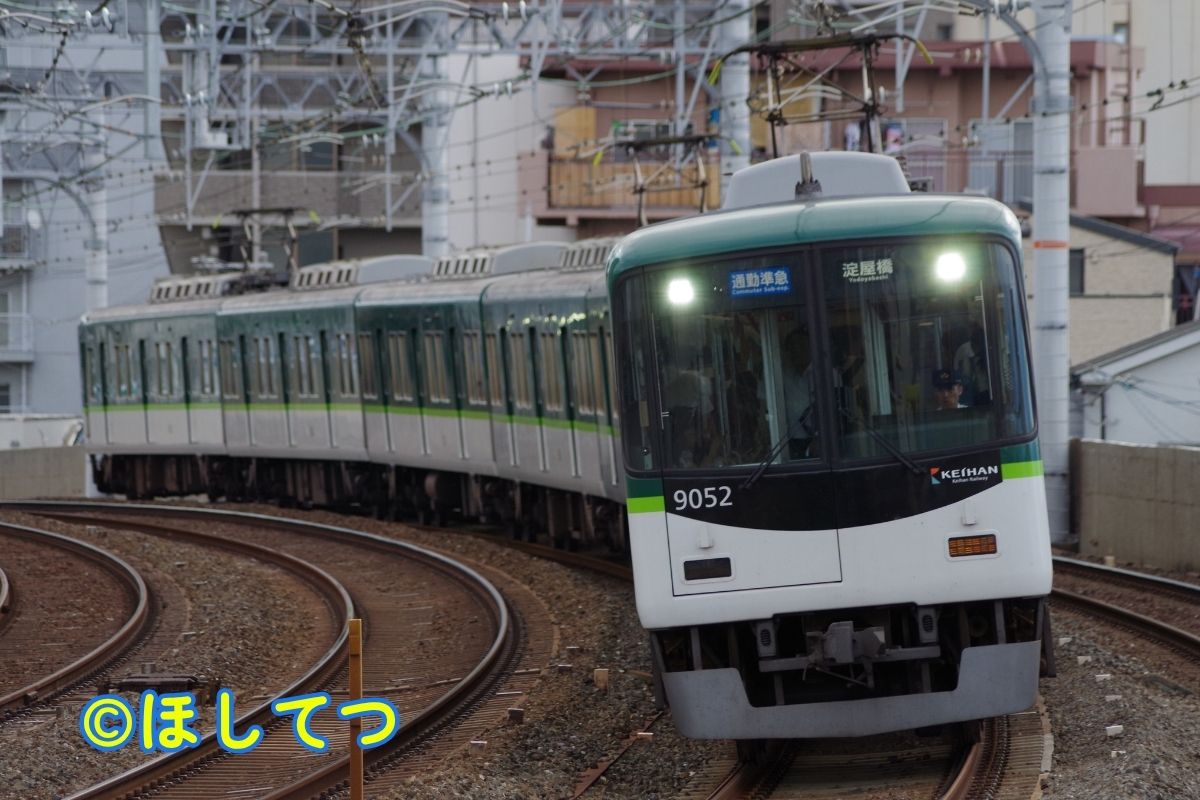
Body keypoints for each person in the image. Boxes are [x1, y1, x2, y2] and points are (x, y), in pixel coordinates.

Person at [953, 327, 991, 405]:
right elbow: (958, 373)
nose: (975, 348)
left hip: (984, 391)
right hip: (970, 391)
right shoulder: (964, 351)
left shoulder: (987, 353)